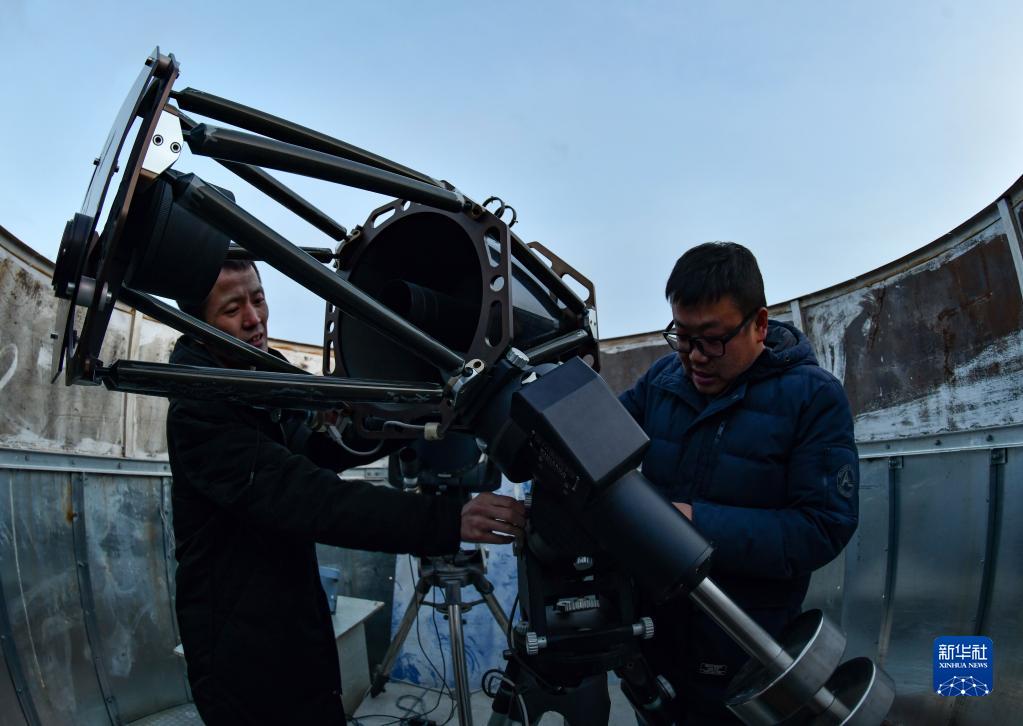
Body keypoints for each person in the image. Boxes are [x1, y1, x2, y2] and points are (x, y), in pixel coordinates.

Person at [168, 260, 526, 725]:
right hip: (239, 650)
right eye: (232, 310)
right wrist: (445, 519)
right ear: (199, 327)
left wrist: (397, 414)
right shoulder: (198, 411)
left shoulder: (264, 381)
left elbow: (318, 447)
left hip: (292, 622)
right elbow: (309, 496)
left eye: (258, 299)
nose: (254, 319)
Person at [619, 242, 858, 723]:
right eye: (682, 336)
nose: (694, 357)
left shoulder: (813, 398)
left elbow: (822, 527)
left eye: (712, 339)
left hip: (743, 646)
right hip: (653, 637)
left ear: (760, 324)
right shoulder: (662, 379)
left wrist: (695, 524)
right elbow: (596, 446)